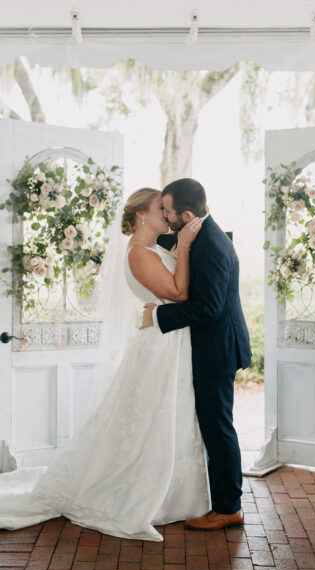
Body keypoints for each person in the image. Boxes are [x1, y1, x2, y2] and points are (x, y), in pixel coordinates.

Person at [0, 187, 210, 541]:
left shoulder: (158, 248)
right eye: (161, 208)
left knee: (171, 414)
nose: (167, 213)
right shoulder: (138, 254)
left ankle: (181, 493)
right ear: (142, 214)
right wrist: (185, 249)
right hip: (159, 346)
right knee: (150, 417)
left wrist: (180, 250)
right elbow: (177, 293)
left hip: (172, 341)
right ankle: (137, 492)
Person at [141, 178, 252, 531]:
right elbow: (158, 243)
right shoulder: (199, 235)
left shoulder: (211, 245)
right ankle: (223, 501)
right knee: (214, 424)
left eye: (169, 212)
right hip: (213, 345)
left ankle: (227, 507)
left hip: (218, 349)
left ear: (187, 214)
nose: (166, 218)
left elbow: (208, 307)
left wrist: (158, 315)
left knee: (218, 428)